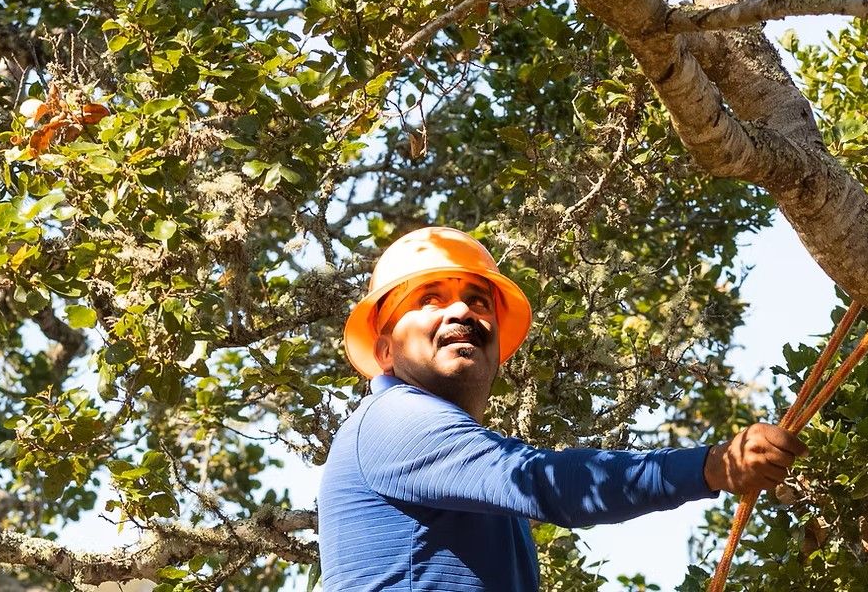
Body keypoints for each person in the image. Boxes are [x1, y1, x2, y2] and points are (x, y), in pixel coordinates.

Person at [318, 226, 806, 591]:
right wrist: (710, 467)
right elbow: (545, 482)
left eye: (476, 301)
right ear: (384, 352)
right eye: (429, 299)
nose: (462, 312)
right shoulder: (392, 420)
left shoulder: (458, 464)